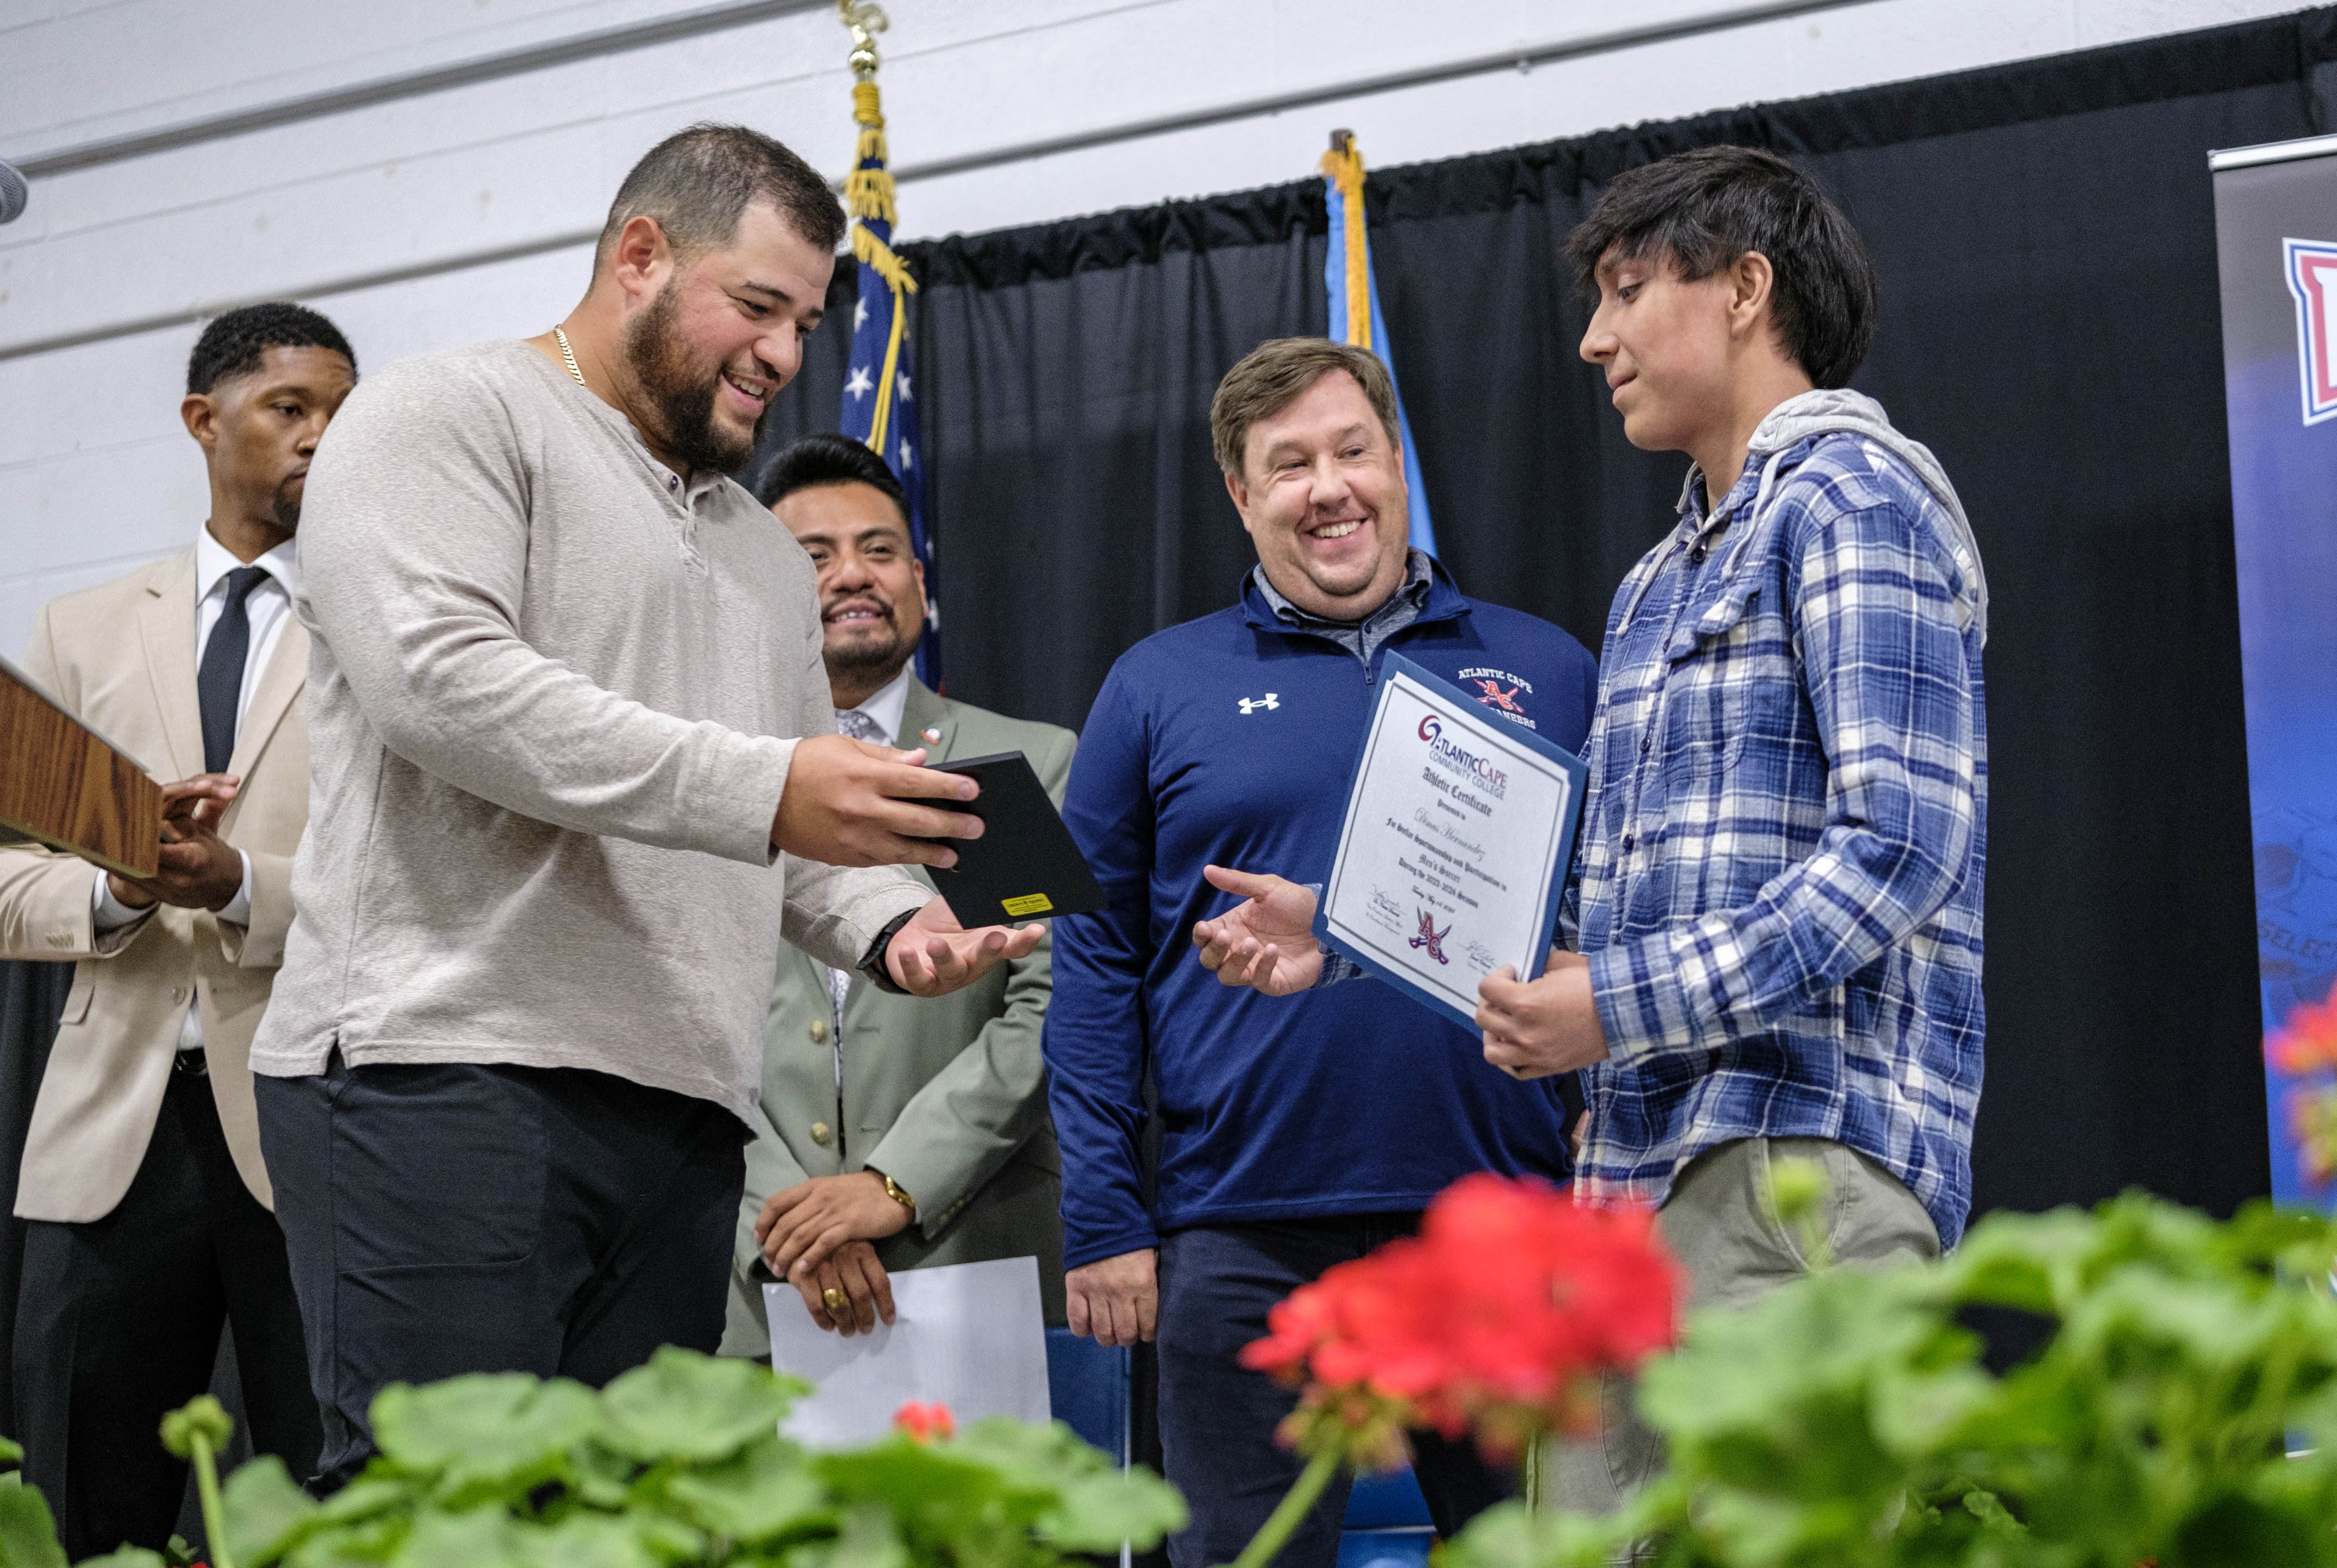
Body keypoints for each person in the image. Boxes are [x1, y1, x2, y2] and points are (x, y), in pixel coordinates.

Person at [250, 125, 1043, 1489]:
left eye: (805, 321)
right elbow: (441, 686)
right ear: (639, 256)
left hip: (681, 1109)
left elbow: (781, 819)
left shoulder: (753, 546)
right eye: (757, 306)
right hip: (438, 1069)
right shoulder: (443, 416)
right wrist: (775, 785)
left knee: (623, 1523)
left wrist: (900, 929)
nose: (785, 355)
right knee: (447, 1515)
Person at [1196, 147, 1988, 1511]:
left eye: (1625, 290)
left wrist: (1608, 1008)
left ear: (1744, 289)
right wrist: (1350, 928)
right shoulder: (1652, 581)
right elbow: (1607, 926)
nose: (1592, 337)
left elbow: (1895, 853)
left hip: (1798, 1161)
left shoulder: (1854, 498)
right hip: (1624, 1194)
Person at [1045, 337, 1599, 1568]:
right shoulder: (1154, 685)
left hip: (1496, 1225)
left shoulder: (1550, 668)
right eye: (1286, 464)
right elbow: (1087, 960)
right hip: (1236, 1233)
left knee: (1558, 1556)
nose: (1328, 485)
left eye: (1353, 449)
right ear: (1240, 497)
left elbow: (1612, 927)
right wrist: (1101, 1215)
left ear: (1396, 460)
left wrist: (1607, 1130)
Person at [0, 303, 355, 1550]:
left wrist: (239, 879)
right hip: (109, 1131)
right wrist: (126, 887)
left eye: (342, 415)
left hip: (318, 1111)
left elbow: (413, 889)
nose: (321, 438)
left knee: (336, 1488)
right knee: (88, 1495)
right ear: (205, 421)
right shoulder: (79, 631)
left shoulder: (391, 627)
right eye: (290, 410)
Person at [723, 434, 1075, 1350]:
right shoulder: (706, 777)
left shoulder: (1027, 765)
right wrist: (787, 1219)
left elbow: (1048, 1010)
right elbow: (667, 1006)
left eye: (879, 550)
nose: (854, 574)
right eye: (814, 555)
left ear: (920, 579)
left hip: (970, 1259)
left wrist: (890, 1184)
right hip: (748, 1266)